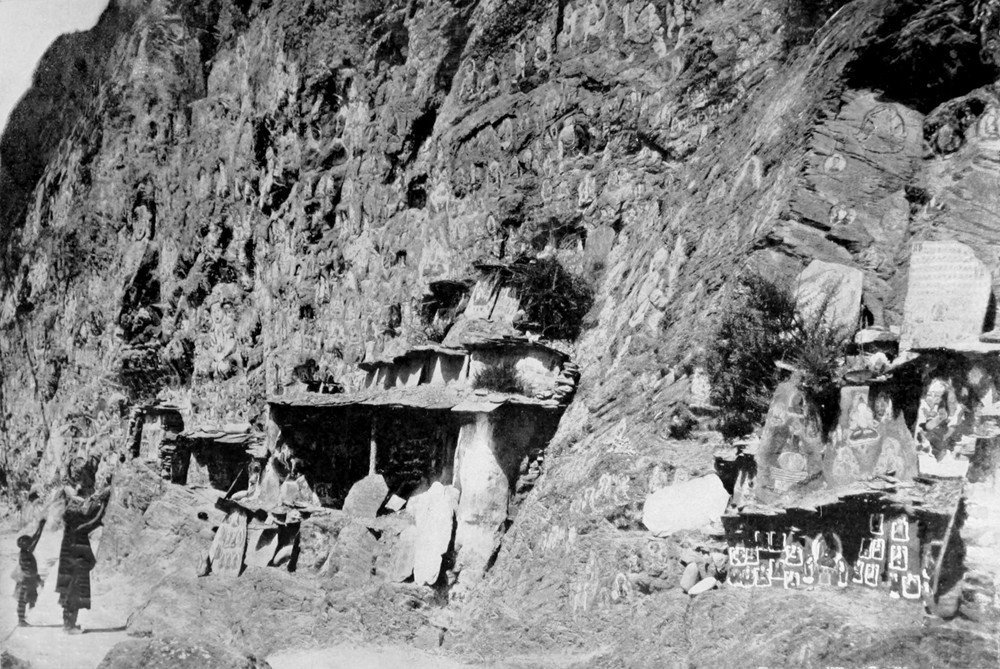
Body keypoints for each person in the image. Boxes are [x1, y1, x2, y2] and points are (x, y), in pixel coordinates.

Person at [55, 486, 111, 634]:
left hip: (69, 562)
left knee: (69, 593)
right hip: (76, 563)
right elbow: (94, 521)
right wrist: (103, 504)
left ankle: (68, 624)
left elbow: (90, 518)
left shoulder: (70, 523)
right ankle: (70, 627)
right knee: (74, 593)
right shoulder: (78, 526)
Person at [13, 518, 46, 626]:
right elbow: (29, 570)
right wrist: (37, 578)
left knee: (25, 599)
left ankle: (22, 619)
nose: (32, 544)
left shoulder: (26, 551)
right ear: (25, 545)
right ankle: (21, 620)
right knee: (23, 600)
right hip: (25, 580)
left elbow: (35, 539)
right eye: (29, 543)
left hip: (28, 579)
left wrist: (40, 528)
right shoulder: (24, 554)